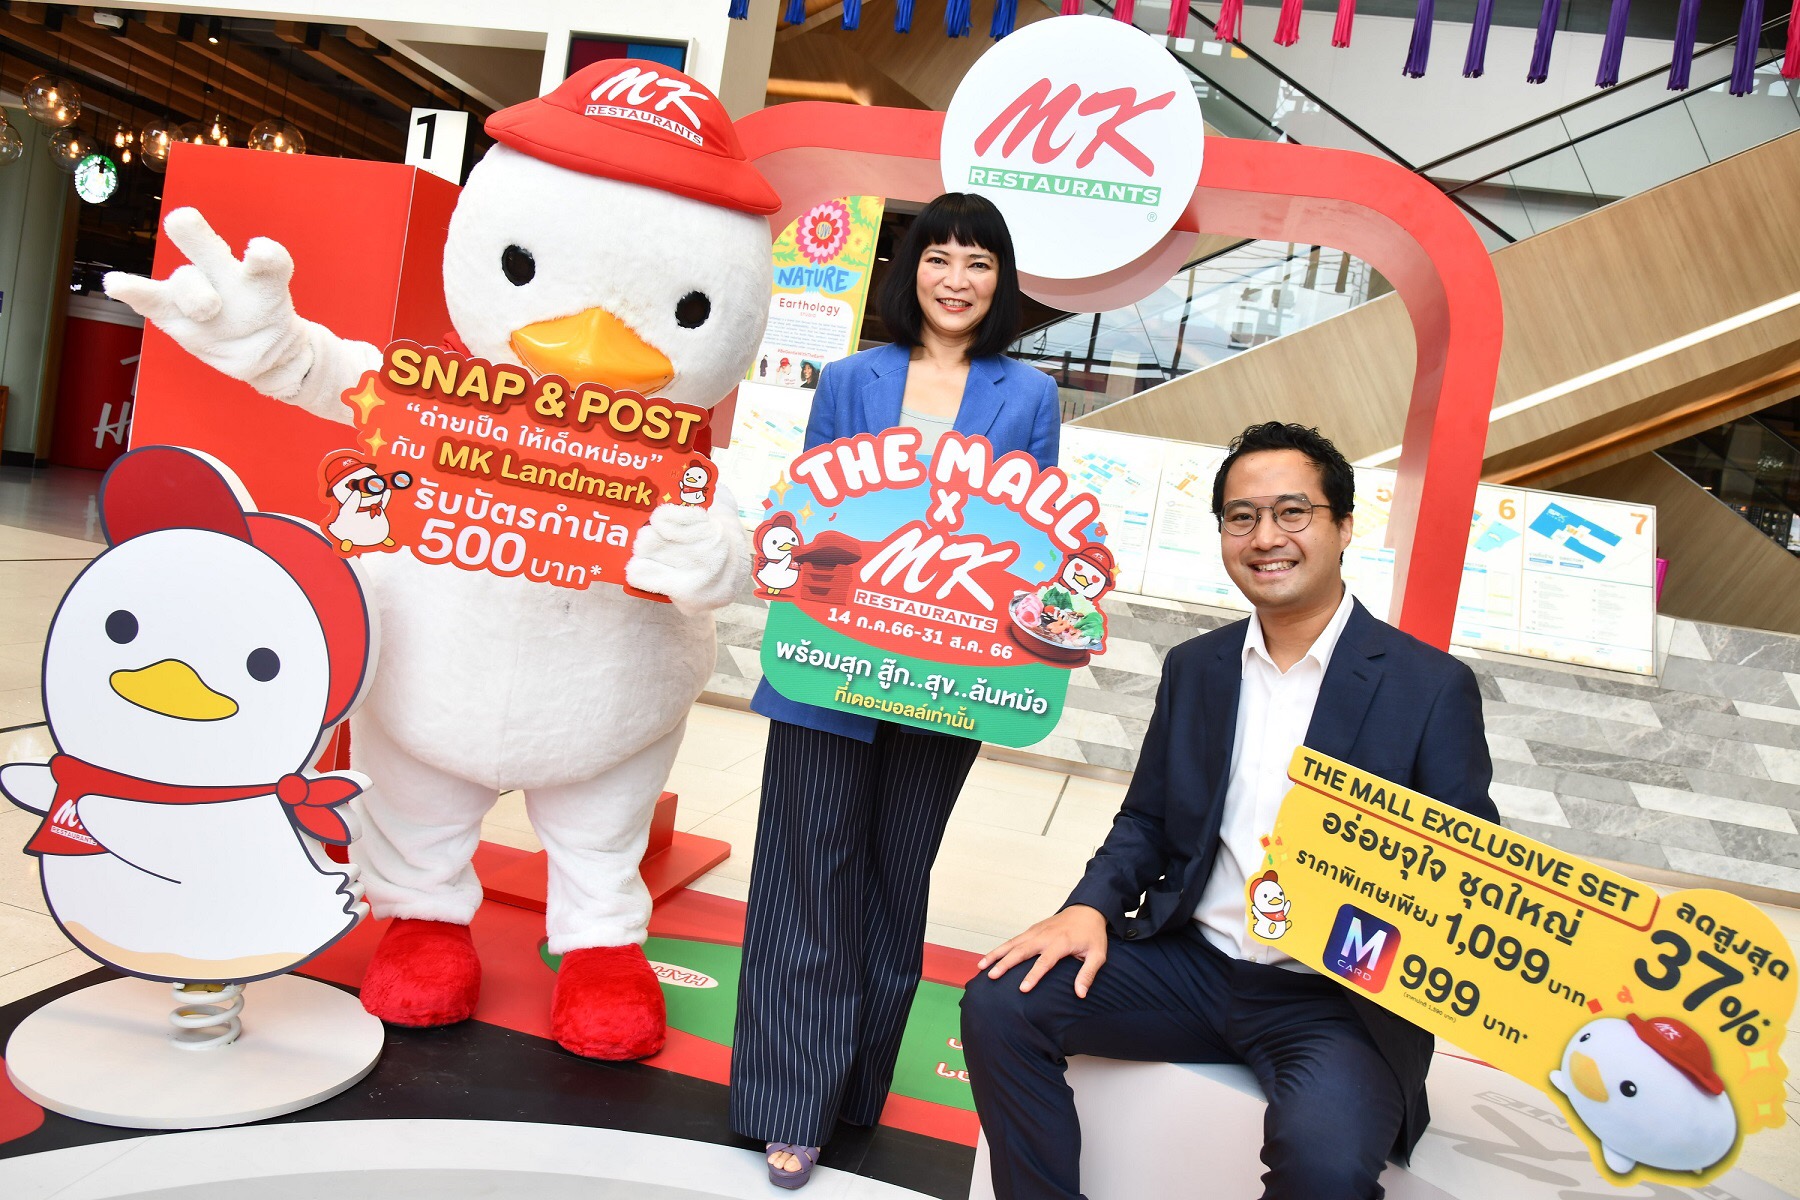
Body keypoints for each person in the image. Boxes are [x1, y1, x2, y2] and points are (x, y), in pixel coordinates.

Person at [960, 422, 1498, 1200]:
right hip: (1193, 965)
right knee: (1000, 1005)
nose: (1265, 537)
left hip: (1333, 1001)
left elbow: (1467, 872)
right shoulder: (1198, 667)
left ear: (1345, 526)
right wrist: (1087, 908)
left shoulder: (1430, 687)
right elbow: (1147, 820)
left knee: (1324, 1165)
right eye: (1242, 517)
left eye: (1292, 512)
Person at [731, 192, 1060, 1190]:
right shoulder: (849, 380)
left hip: (946, 680)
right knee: (805, 879)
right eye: (939, 258)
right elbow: (809, 505)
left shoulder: (1029, 397)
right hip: (827, 665)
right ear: (909, 271)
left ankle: (850, 1092)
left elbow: (1034, 545)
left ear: (1001, 282)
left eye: (979, 263)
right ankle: (791, 1106)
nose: (956, 280)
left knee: (892, 879)